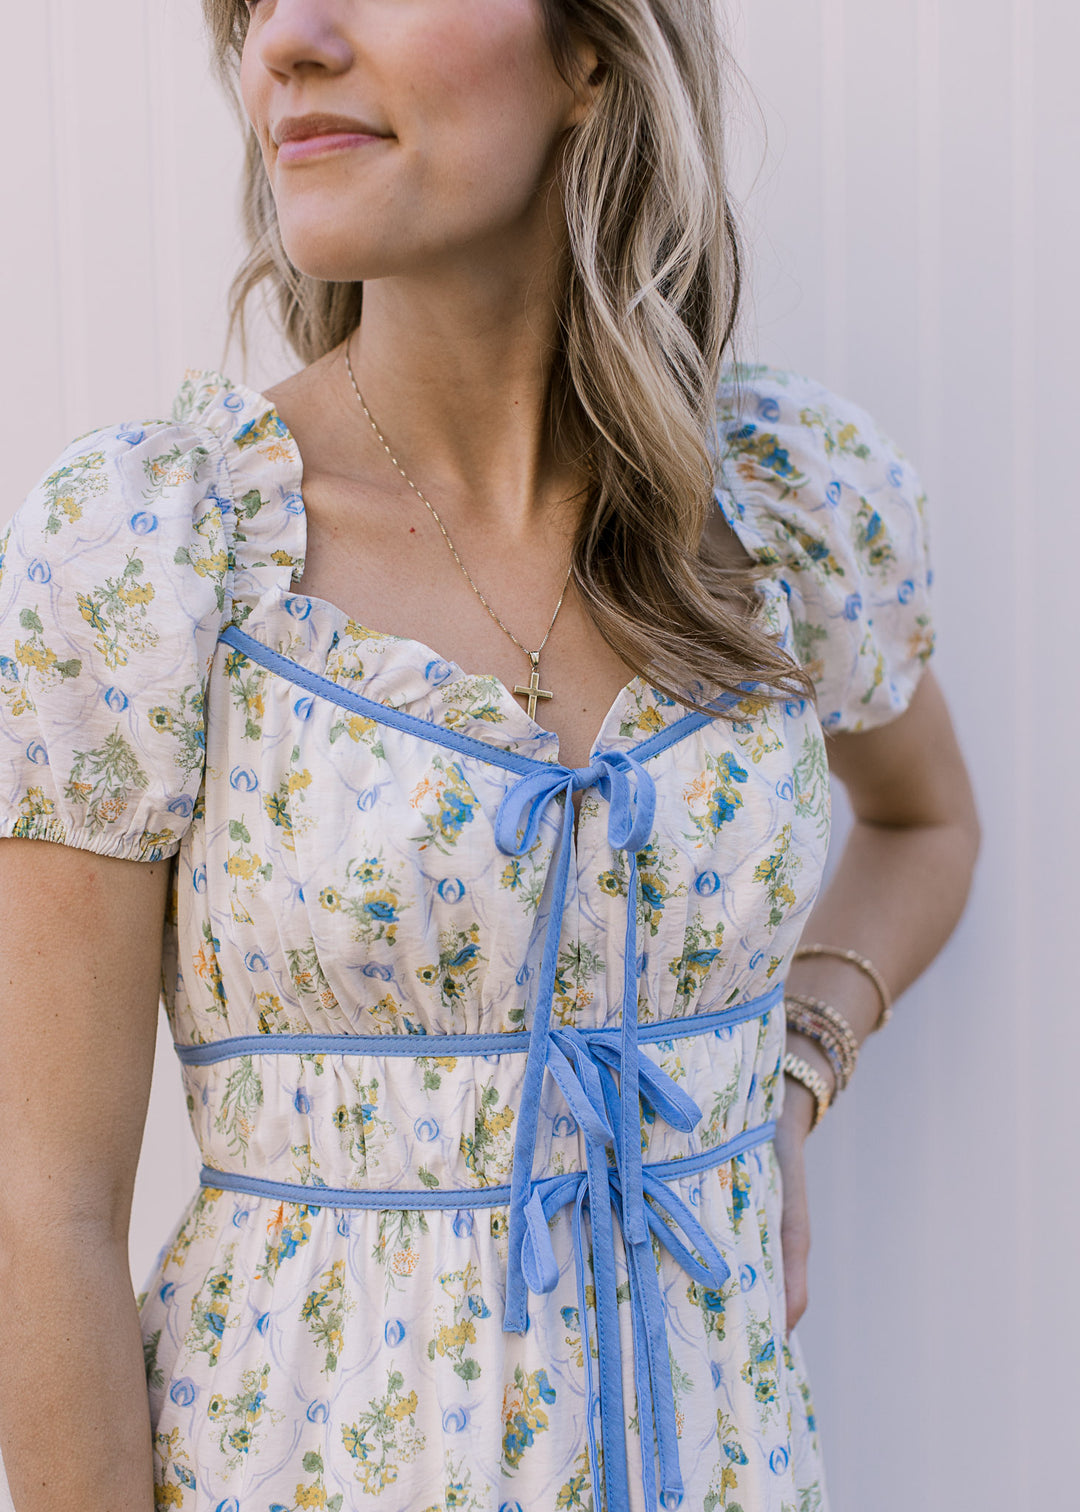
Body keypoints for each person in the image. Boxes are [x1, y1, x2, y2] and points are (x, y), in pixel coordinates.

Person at [0, 1, 980, 1509]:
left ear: (592, 52)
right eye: (257, 2)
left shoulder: (790, 503)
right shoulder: (156, 553)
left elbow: (922, 824)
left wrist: (788, 1065)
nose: (288, 44)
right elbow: (43, 1203)